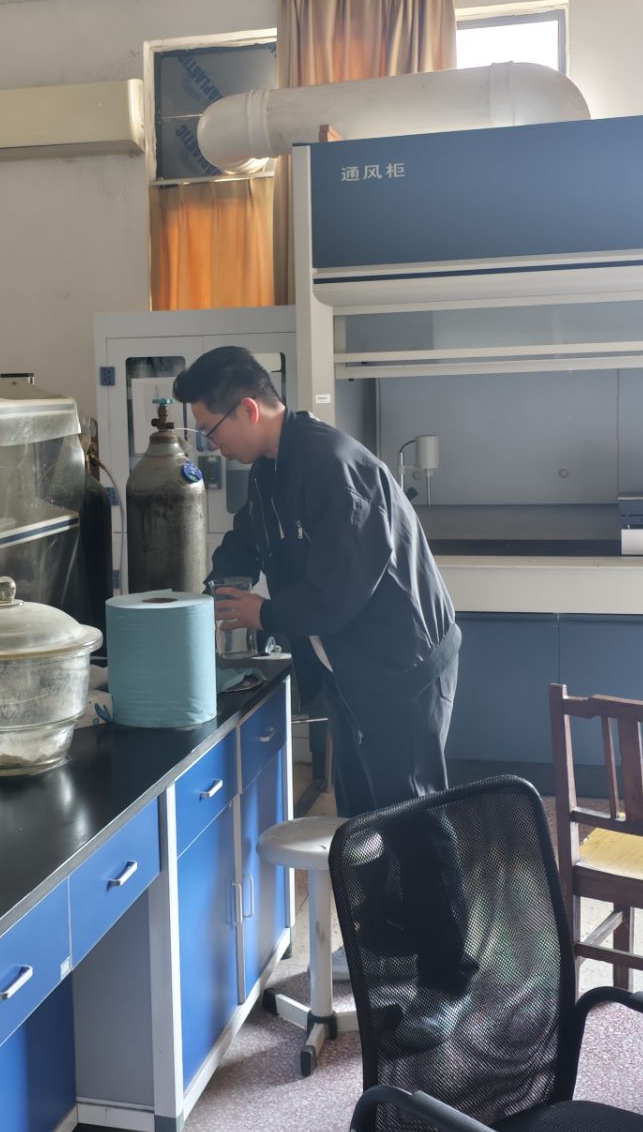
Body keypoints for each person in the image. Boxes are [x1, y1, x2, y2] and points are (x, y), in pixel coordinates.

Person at [172, 348, 472, 1045]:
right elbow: (248, 539)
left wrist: (263, 613)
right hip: (352, 670)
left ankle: (447, 979)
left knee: (415, 817)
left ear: (249, 408)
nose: (212, 447)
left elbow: (341, 591)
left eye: (211, 430)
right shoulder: (270, 471)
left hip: (403, 666)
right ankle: (388, 942)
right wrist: (223, 582)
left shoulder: (333, 465)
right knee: (364, 812)